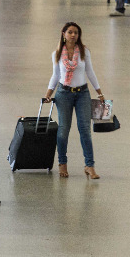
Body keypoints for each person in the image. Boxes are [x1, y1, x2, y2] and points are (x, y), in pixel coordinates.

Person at [43, 22, 104, 179]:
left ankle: (89, 165)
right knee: (63, 130)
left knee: (85, 130)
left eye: (76, 32)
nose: (73, 35)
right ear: (63, 34)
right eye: (70, 32)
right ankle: (62, 163)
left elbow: (90, 72)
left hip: (82, 93)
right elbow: (56, 75)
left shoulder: (84, 52)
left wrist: (99, 92)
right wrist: (49, 93)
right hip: (63, 93)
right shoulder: (56, 53)